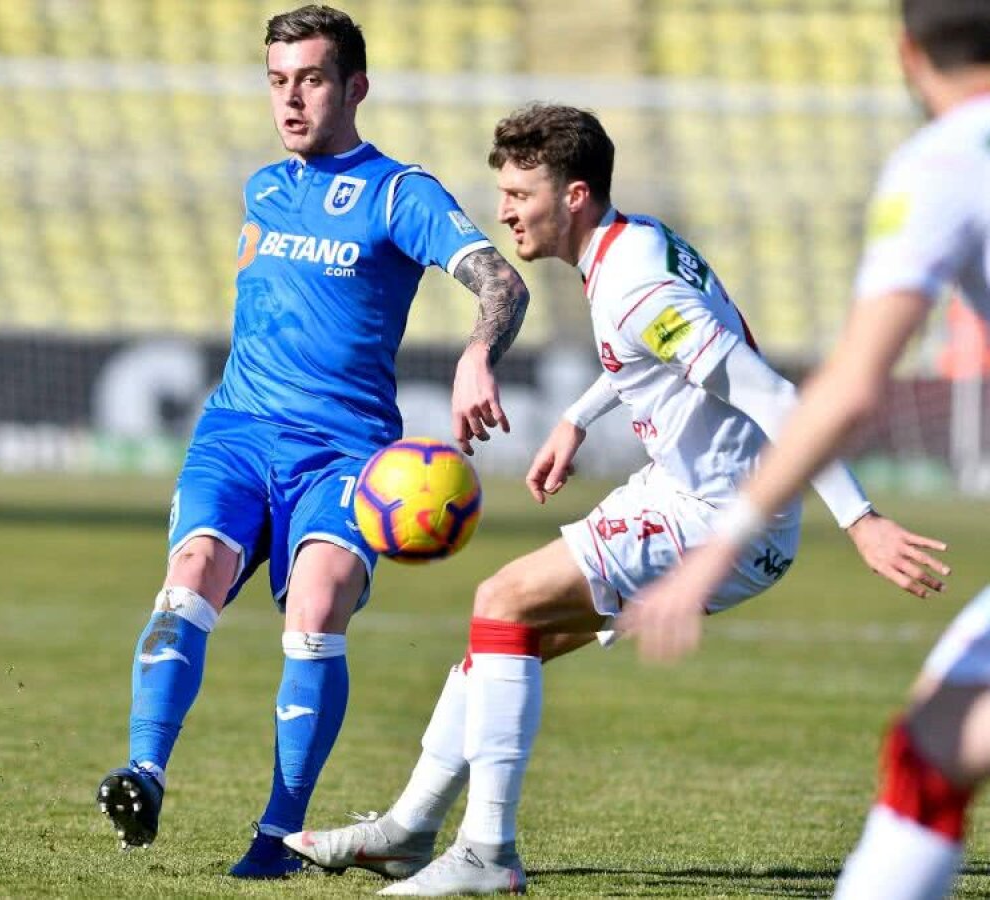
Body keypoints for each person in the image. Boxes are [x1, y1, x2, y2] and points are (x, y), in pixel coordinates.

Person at [282, 102, 945, 896]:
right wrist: (575, 417)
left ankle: (486, 851)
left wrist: (861, 520)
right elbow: (641, 355)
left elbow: (774, 398)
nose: (504, 213)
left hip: (721, 512)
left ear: (573, 195)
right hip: (688, 490)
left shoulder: (636, 288)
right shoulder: (632, 244)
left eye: (520, 195)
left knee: (502, 600)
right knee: (505, 641)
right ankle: (407, 831)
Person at [95, 4, 532, 879]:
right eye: (277, 81)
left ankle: (279, 833)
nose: (291, 99)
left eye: (312, 79)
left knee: (320, 601)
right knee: (190, 579)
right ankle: (143, 770)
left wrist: (479, 352)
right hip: (238, 432)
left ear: (354, 87)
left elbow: (502, 283)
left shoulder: (400, 193)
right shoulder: (263, 187)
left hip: (344, 452)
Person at [624, 1, 989, 897]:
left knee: (932, 752)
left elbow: (852, 384)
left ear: (908, 54)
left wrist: (717, 547)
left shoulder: (947, 160)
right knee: (935, 745)